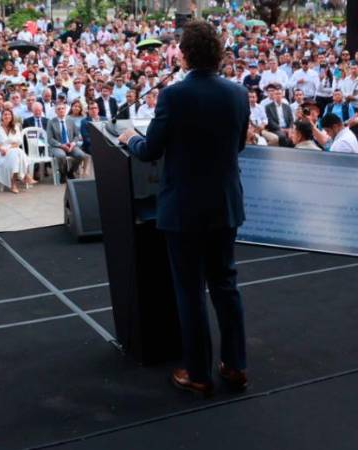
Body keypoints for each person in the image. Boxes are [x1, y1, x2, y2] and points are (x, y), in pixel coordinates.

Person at [117, 21, 249, 396]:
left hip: (184, 208)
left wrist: (130, 139)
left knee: (190, 290)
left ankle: (199, 374)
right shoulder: (238, 93)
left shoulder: (173, 96)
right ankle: (236, 366)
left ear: (186, 54)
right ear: (218, 54)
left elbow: (151, 150)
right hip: (225, 203)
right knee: (225, 284)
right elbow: (237, 145)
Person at [0, 108, 34, 193]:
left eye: (9, 114)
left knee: (16, 153)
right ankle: (25, 176)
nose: (7, 116)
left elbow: (18, 143)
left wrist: (9, 148)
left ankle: (14, 183)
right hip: (1, 152)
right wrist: (2, 149)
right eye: (5, 114)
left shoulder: (15, 127)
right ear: (2, 116)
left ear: (12, 116)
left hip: (13, 149)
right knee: (19, 153)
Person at [46, 103, 89, 180]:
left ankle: (71, 172)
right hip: (57, 146)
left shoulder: (70, 121)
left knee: (81, 155)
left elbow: (76, 135)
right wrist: (61, 145)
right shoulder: (51, 122)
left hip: (70, 145)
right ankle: (63, 173)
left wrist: (73, 143)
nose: (61, 110)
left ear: (65, 110)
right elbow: (50, 139)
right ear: (55, 111)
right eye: (59, 109)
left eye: (63, 108)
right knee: (61, 156)